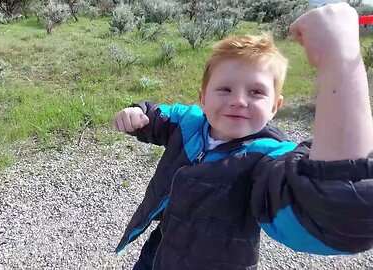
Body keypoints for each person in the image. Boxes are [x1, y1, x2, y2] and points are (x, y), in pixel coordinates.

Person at [112, 3, 373, 270]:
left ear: (275, 107)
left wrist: (339, 57)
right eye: (224, 89)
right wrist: (138, 113)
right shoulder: (190, 123)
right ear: (203, 99)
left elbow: (340, 210)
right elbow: (160, 115)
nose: (238, 101)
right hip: (159, 251)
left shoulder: (266, 159)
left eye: (256, 92)